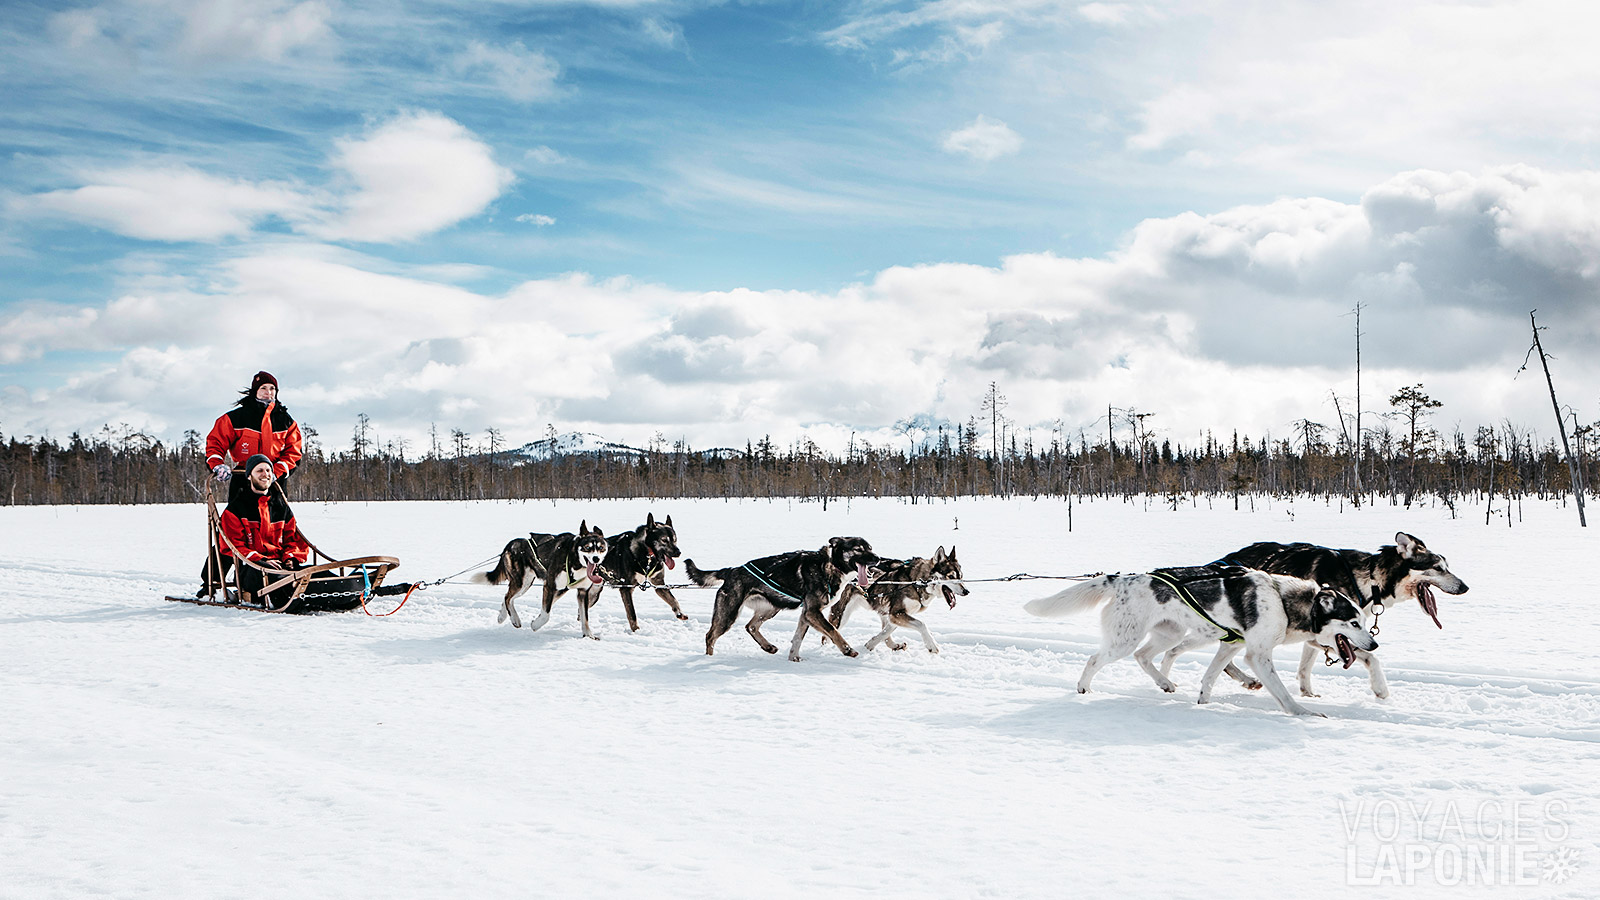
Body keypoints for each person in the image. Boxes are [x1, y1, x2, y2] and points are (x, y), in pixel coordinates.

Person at [198, 371, 304, 596]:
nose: (269, 393)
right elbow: (215, 442)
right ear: (255, 391)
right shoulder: (237, 417)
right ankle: (213, 579)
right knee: (234, 531)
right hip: (242, 480)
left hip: (273, 481)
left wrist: (278, 470)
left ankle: (277, 570)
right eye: (264, 388)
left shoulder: (284, 419)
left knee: (274, 528)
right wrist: (218, 465)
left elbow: (293, 451)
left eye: (273, 389)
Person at [213, 454, 312, 606]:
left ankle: (346, 589)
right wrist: (261, 560)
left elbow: (293, 539)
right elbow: (232, 545)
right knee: (278, 578)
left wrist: (290, 558)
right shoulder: (236, 508)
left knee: (313, 573)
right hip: (252, 570)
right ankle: (294, 594)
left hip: (282, 566)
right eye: (259, 470)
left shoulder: (280, 506)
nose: (265, 474)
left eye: (268, 470)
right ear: (249, 476)